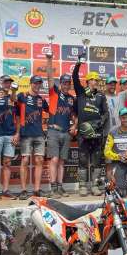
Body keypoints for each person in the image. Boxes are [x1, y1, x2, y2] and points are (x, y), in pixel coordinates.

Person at [72, 59, 109, 196]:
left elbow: (106, 113)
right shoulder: (81, 93)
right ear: (87, 81)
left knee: (97, 159)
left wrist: (99, 122)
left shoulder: (101, 96)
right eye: (92, 80)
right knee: (82, 159)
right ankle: (82, 186)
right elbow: (74, 77)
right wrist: (78, 63)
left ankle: (94, 185)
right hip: (83, 132)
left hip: (97, 132)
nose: (95, 82)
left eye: (96, 80)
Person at [46, 55, 77, 198]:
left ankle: (60, 187)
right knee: (54, 159)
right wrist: (50, 60)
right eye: (64, 83)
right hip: (53, 130)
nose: (66, 85)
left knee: (62, 161)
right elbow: (49, 77)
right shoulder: (54, 93)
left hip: (66, 132)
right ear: (60, 84)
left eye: (68, 83)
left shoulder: (71, 98)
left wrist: (75, 125)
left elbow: (74, 116)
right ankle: (53, 188)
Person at [17, 75, 49, 199]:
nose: (37, 86)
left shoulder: (41, 99)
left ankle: (36, 189)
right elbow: (14, 106)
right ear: (31, 83)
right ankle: (24, 190)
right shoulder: (22, 96)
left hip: (39, 134)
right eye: (35, 83)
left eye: (39, 83)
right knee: (25, 160)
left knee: (39, 160)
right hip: (26, 133)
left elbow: (51, 111)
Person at [0, 75, 20, 201]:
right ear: (0, 83)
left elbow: (17, 117)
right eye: (5, 82)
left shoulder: (13, 97)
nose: (7, 84)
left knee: (7, 163)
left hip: (9, 134)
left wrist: (17, 133)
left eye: (9, 83)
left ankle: (6, 190)